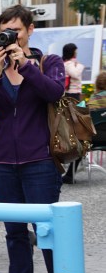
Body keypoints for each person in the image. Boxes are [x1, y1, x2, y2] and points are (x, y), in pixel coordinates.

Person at [0, 4, 66, 273]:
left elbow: (54, 93)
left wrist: (25, 65)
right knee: (14, 233)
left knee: (47, 232)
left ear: (30, 31)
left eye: (16, 31)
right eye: (5, 32)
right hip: (3, 163)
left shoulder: (48, 62)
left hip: (40, 161)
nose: (11, 37)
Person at [61, 42, 85, 183]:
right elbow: (75, 73)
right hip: (71, 97)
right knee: (78, 135)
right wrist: (80, 65)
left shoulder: (69, 63)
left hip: (74, 96)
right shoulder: (69, 64)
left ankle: (70, 174)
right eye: (75, 51)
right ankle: (69, 174)